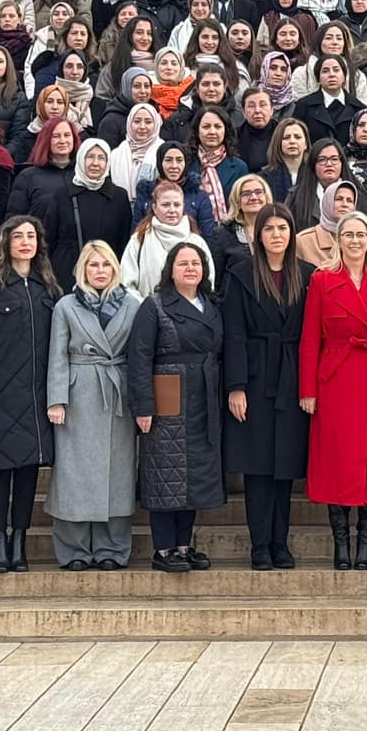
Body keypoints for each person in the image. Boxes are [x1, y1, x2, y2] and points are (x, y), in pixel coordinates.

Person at [299, 211, 367, 570]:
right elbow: (310, 338)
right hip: (336, 379)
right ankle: (340, 543)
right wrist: (307, 390)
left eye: (361, 235)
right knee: (338, 463)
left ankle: (366, 544)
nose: (355, 241)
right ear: (338, 239)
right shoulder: (322, 280)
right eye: (349, 235)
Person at [0, 215, 60, 574]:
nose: (24, 242)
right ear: (5, 242)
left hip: (36, 394)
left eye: (31, 236)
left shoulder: (47, 288)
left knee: (28, 471)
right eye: (17, 236)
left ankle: (20, 538)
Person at [129, 236, 227, 573]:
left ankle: (184, 545)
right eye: (183, 263)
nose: (190, 268)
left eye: (196, 263)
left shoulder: (212, 305)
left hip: (204, 392)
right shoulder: (153, 306)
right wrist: (143, 406)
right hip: (167, 391)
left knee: (194, 474)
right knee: (164, 472)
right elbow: (139, 357)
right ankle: (163, 549)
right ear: (170, 269)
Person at [222, 203, 311, 570]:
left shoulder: (308, 275)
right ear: (258, 234)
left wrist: (309, 385)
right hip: (256, 376)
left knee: (284, 465)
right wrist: (236, 386)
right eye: (269, 229)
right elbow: (234, 334)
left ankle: (280, 542)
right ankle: (259, 544)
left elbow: (311, 332)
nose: (276, 235)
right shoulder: (241, 274)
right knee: (258, 466)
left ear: (292, 234)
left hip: (291, 376)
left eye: (282, 229)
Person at [44, 240, 141, 571]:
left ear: (115, 268)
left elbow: (139, 355)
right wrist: (56, 399)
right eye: (93, 265)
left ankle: (112, 549)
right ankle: (74, 550)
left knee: (118, 473)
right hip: (79, 394)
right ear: (82, 269)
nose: (100, 271)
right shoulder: (66, 306)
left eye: (105, 265)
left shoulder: (132, 305)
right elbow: (56, 354)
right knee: (74, 474)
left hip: (118, 394)